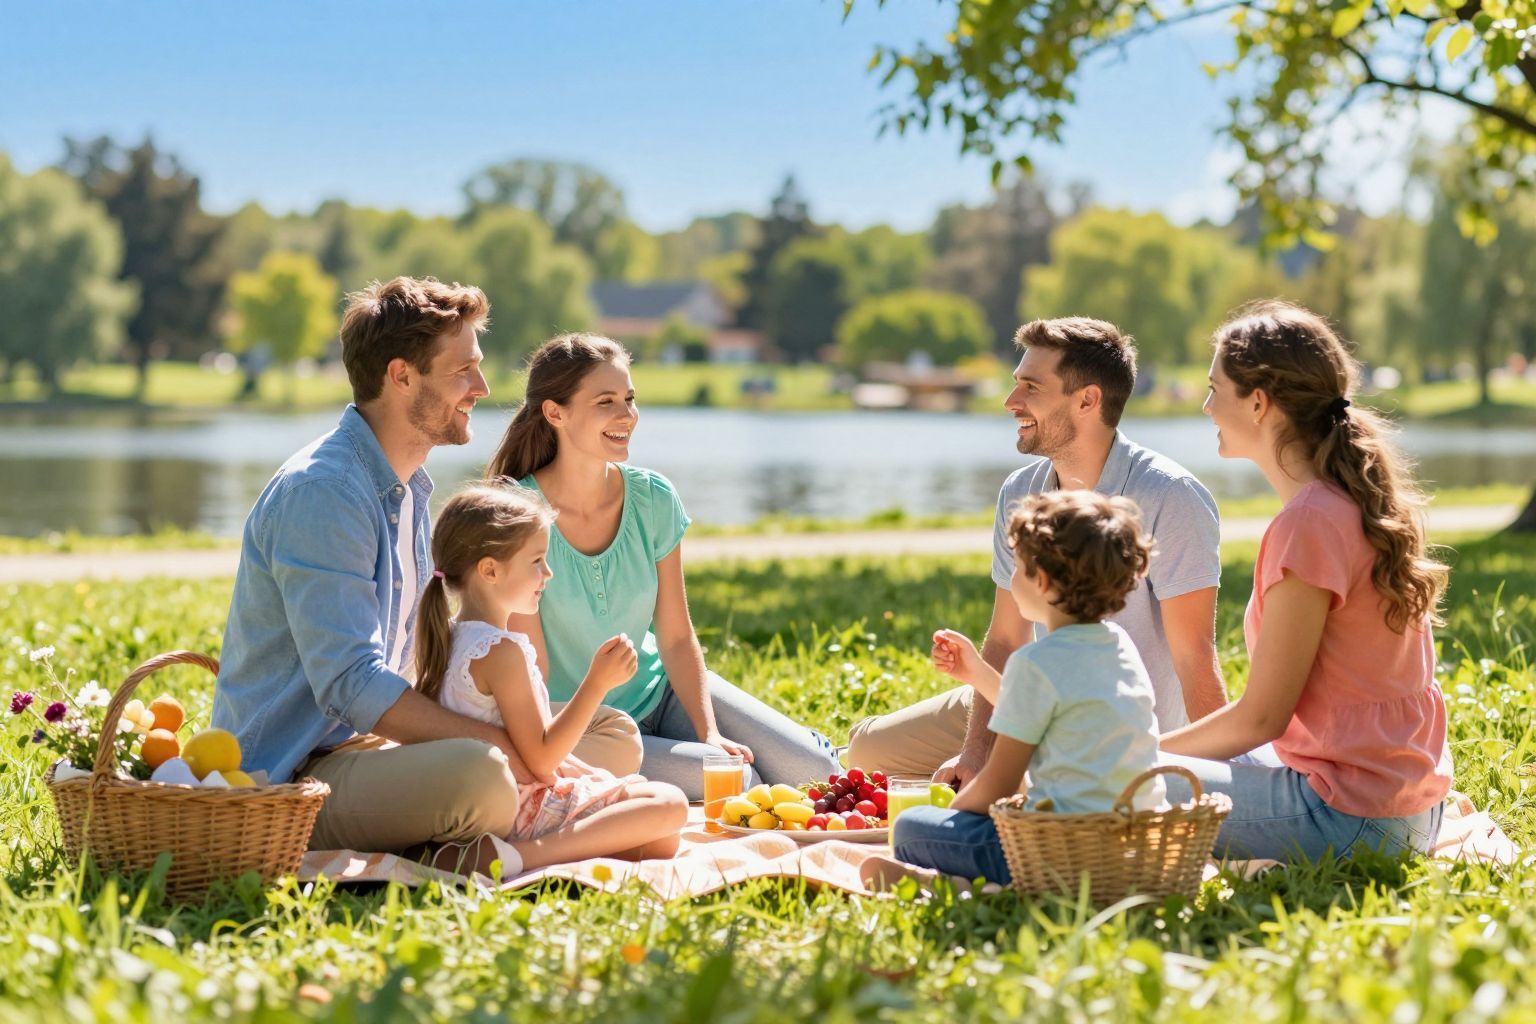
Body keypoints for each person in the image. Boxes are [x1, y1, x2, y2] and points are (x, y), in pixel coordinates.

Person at [212, 277, 641, 858]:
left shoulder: (406, 486)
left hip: (385, 749)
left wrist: (524, 740)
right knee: (484, 775)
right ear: (401, 376)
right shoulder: (324, 492)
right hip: (302, 775)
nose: (481, 388)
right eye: (463, 370)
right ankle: (508, 833)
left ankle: (515, 806)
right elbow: (351, 684)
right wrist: (511, 751)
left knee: (614, 735)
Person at [847, 317, 1228, 785]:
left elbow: (1194, 657)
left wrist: (1225, 782)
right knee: (864, 754)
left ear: (1087, 400)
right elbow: (1007, 638)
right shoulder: (1020, 491)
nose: (1011, 401)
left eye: (1031, 387)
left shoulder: (1171, 496)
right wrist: (974, 753)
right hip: (1032, 694)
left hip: (1113, 739)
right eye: (1016, 384)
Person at [485, 333, 841, 799]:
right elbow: (534, 672)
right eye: (606, 402)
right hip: (582, 722)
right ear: (555, 413)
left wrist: (708, 731)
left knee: (818, 772)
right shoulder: (516, 515)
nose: (626, 416)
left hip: (662, 691)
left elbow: (675, 635)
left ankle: (809, 745)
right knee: (737, 782)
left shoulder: (653, 497)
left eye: (629, 399)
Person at [1158, 301, 1452, 860]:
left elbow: (1261, 719)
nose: (1206, 406)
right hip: (1408, 808)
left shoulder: (1309, 525)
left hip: (1354, 819)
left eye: (1215, 389)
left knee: (1115, 781)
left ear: (1259, 403)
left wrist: (1139, 754)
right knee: (1161, 762)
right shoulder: (1350, 502)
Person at [865, 491, 1164, 887]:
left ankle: (953, 883)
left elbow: (998, 784)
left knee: (911, 827)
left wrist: (948, 816)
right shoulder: (1118, 645)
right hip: (1134, 843)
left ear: (1042, 581)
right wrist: (977, 673)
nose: (1011, 578)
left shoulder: (1035, 662)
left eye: (1019, 567)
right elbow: (1046, 710)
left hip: (1059, 853)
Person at [413, 483, 686, 876]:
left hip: (498, 800)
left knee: (662, 841)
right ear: (490, 570)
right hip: (522, 808)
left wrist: (580, 771)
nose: (548, 573)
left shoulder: (452, 635)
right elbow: (542, 760)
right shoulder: (501, 651)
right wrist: (596, 684)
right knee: (670, 804)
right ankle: (518, 858)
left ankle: (501, 852)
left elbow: (522, 743)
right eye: (537, 561)